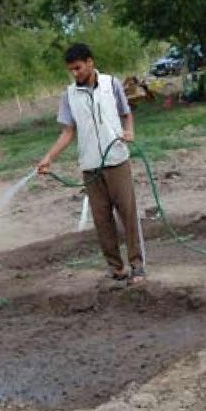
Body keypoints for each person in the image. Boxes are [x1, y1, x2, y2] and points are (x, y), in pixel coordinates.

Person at [36, 42, 145, 286]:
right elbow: (67, 132)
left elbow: (126, 113)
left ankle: (137, 265)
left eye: (78, 68)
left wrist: (129, 131)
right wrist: (49, 158)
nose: (75, 74)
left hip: (117, 159)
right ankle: (116, 268)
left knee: (127, 214)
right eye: (71, 70)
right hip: (90, 166)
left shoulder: (111, 84)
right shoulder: (69, 95)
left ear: (90, 62)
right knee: (101, 219)